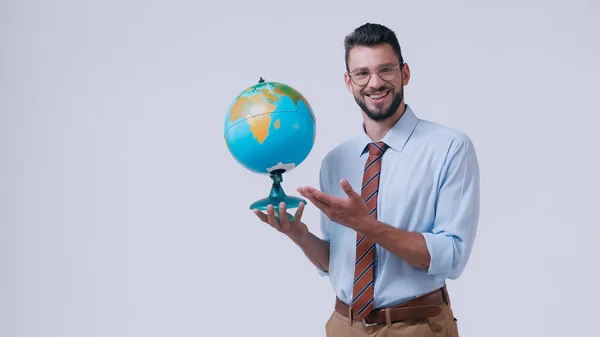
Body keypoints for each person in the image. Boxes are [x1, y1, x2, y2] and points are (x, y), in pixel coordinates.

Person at [253, 22, 480, 337]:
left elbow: (451, 257)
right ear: (349, 82)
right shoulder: (335, 161)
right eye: (362, 73)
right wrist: (300, 235)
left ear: (405, 74)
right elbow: (339, 261)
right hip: (344, 325)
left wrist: (366, 225)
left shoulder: (449, 148)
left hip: (416, 327)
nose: (375, 83)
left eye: (385, 69)